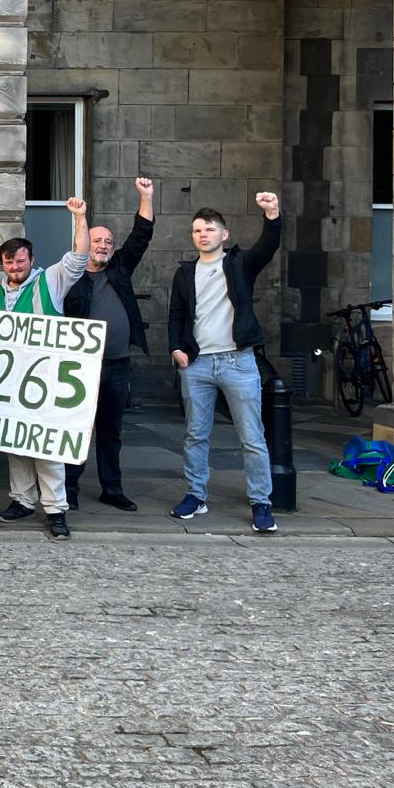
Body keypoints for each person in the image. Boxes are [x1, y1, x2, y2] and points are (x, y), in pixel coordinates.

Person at [167, 192, 285, 533]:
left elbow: (267, 246)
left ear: (224, 235)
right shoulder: (185, 273)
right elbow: (175, 316)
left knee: (252, 437)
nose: (202, 235)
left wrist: (271, 213)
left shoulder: (239, 264)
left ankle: (261, 502)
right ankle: (195, 495)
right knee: (195, 435)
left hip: (238, 362)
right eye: (197, 231)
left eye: (209, 229)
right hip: (198, 364)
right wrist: (176, 348)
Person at [0, 198, 89, 541]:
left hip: (47, 378)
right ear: (3, 264)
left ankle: (56, 509)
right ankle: (22, 500)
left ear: (31, 260)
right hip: (11, 381)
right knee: (16, 443)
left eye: (20, 260)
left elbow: (80, 256)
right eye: (9, 262)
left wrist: (80, 218)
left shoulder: (50, 280)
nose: (14, 267)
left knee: (46, 446)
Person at [63, 178, 155, 512]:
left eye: (108, 242)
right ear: (86, 243)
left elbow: (141, 235)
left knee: (111, 429)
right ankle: (69, 489)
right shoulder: (69, 278)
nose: (102, 245)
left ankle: (111, 488)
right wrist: (79, 218)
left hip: (117, 365)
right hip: (80, 369)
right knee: (77, 430)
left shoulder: (119, 270)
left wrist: (146, 197)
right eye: (97, 240)